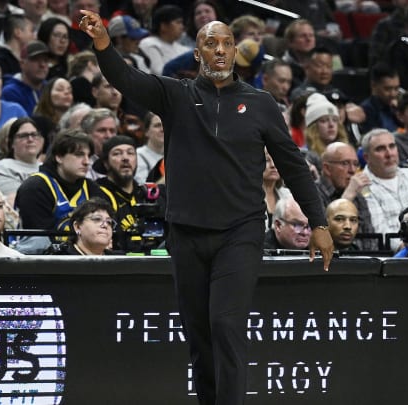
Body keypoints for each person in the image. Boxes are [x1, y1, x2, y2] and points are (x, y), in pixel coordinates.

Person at [79, 12, 333, 405]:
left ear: (234, 51)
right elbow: (128, 80)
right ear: (198, 53)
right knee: (199, 335)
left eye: (227, 43)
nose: (220, 50)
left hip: (241, 231)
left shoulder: (260, 103)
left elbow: (292, 165)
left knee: (225, 324)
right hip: (186, 232)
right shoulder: (175, 95)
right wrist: (102, 45)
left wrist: (318, 220)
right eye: (210, 44)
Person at [362, 128, 408, 249]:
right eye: (380, 149)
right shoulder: (363, 187)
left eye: (392, 146)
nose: (389, 154)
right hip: (395, 257)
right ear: (366, 157)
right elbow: (379, 230)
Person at [94, 135, 166, 252]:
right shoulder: (98, 193)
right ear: (106, 163)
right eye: (117, 153)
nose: (125, 158)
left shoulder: (147, 194)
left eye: (130, 153)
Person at [0, 117, 44, 203]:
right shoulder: (3, 168)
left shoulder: (46, 168)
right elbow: (19, 202)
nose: (30, 139)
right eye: (23, 136)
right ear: (11, 143)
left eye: (34, 134)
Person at [46, 197, 116, 255]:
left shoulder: (118, 260)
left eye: (109, 222)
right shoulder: (58, 259)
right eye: (97, 219)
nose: (105, 225)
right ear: (77, 227)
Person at [359, 62, 402, 134]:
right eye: (387, 89)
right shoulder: (366, 110)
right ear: (373, 86)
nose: (393, 94)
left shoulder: (399, 107)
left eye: (396, 88)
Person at [135, 111, 163, 183]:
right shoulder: (138, 156)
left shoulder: (174, 155)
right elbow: (143, 189)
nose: (162, 129)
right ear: (146, 131)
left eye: (165, 125)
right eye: (157, 125)